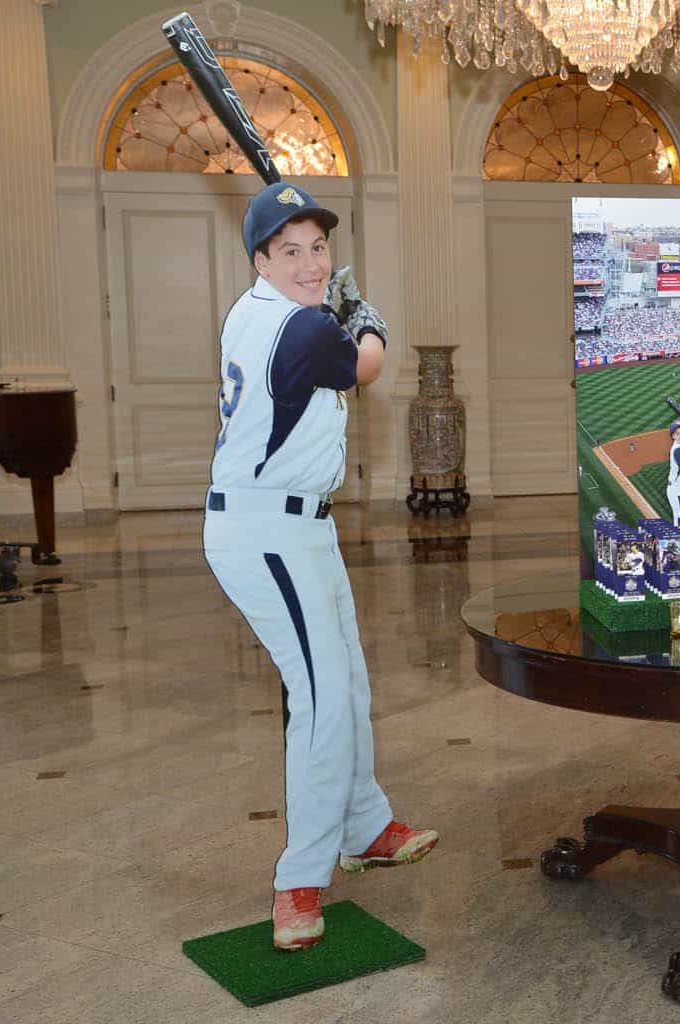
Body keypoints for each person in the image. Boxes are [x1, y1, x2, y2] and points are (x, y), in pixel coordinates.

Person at [203, 182, 438, 953]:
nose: (309, 263)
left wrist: (330, 309)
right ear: (260, 259)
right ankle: (297, 881)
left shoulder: (260, 312)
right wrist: (363, 317)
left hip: (298, 524)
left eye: (319, 248)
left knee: (348, 680)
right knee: (322, 698)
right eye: (290, 250)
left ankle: (364, 824)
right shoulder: (298, 329)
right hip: (266, 529)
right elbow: (364, 366)